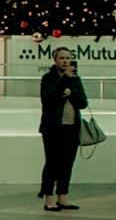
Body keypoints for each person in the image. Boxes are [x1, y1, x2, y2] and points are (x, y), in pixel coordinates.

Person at [38, 46, 87, 211]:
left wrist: (71, 92)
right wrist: (63, 82)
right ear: (55, 60)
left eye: (68, 58)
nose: (65, 61)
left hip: (71, 127)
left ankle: (62, 196)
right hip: (52, 128)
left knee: (67, 163)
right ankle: (48, 198)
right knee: (52, 163)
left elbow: (83, 102)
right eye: (62, 58)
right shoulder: (48, 78)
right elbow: (49, 98)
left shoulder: (75, 79)